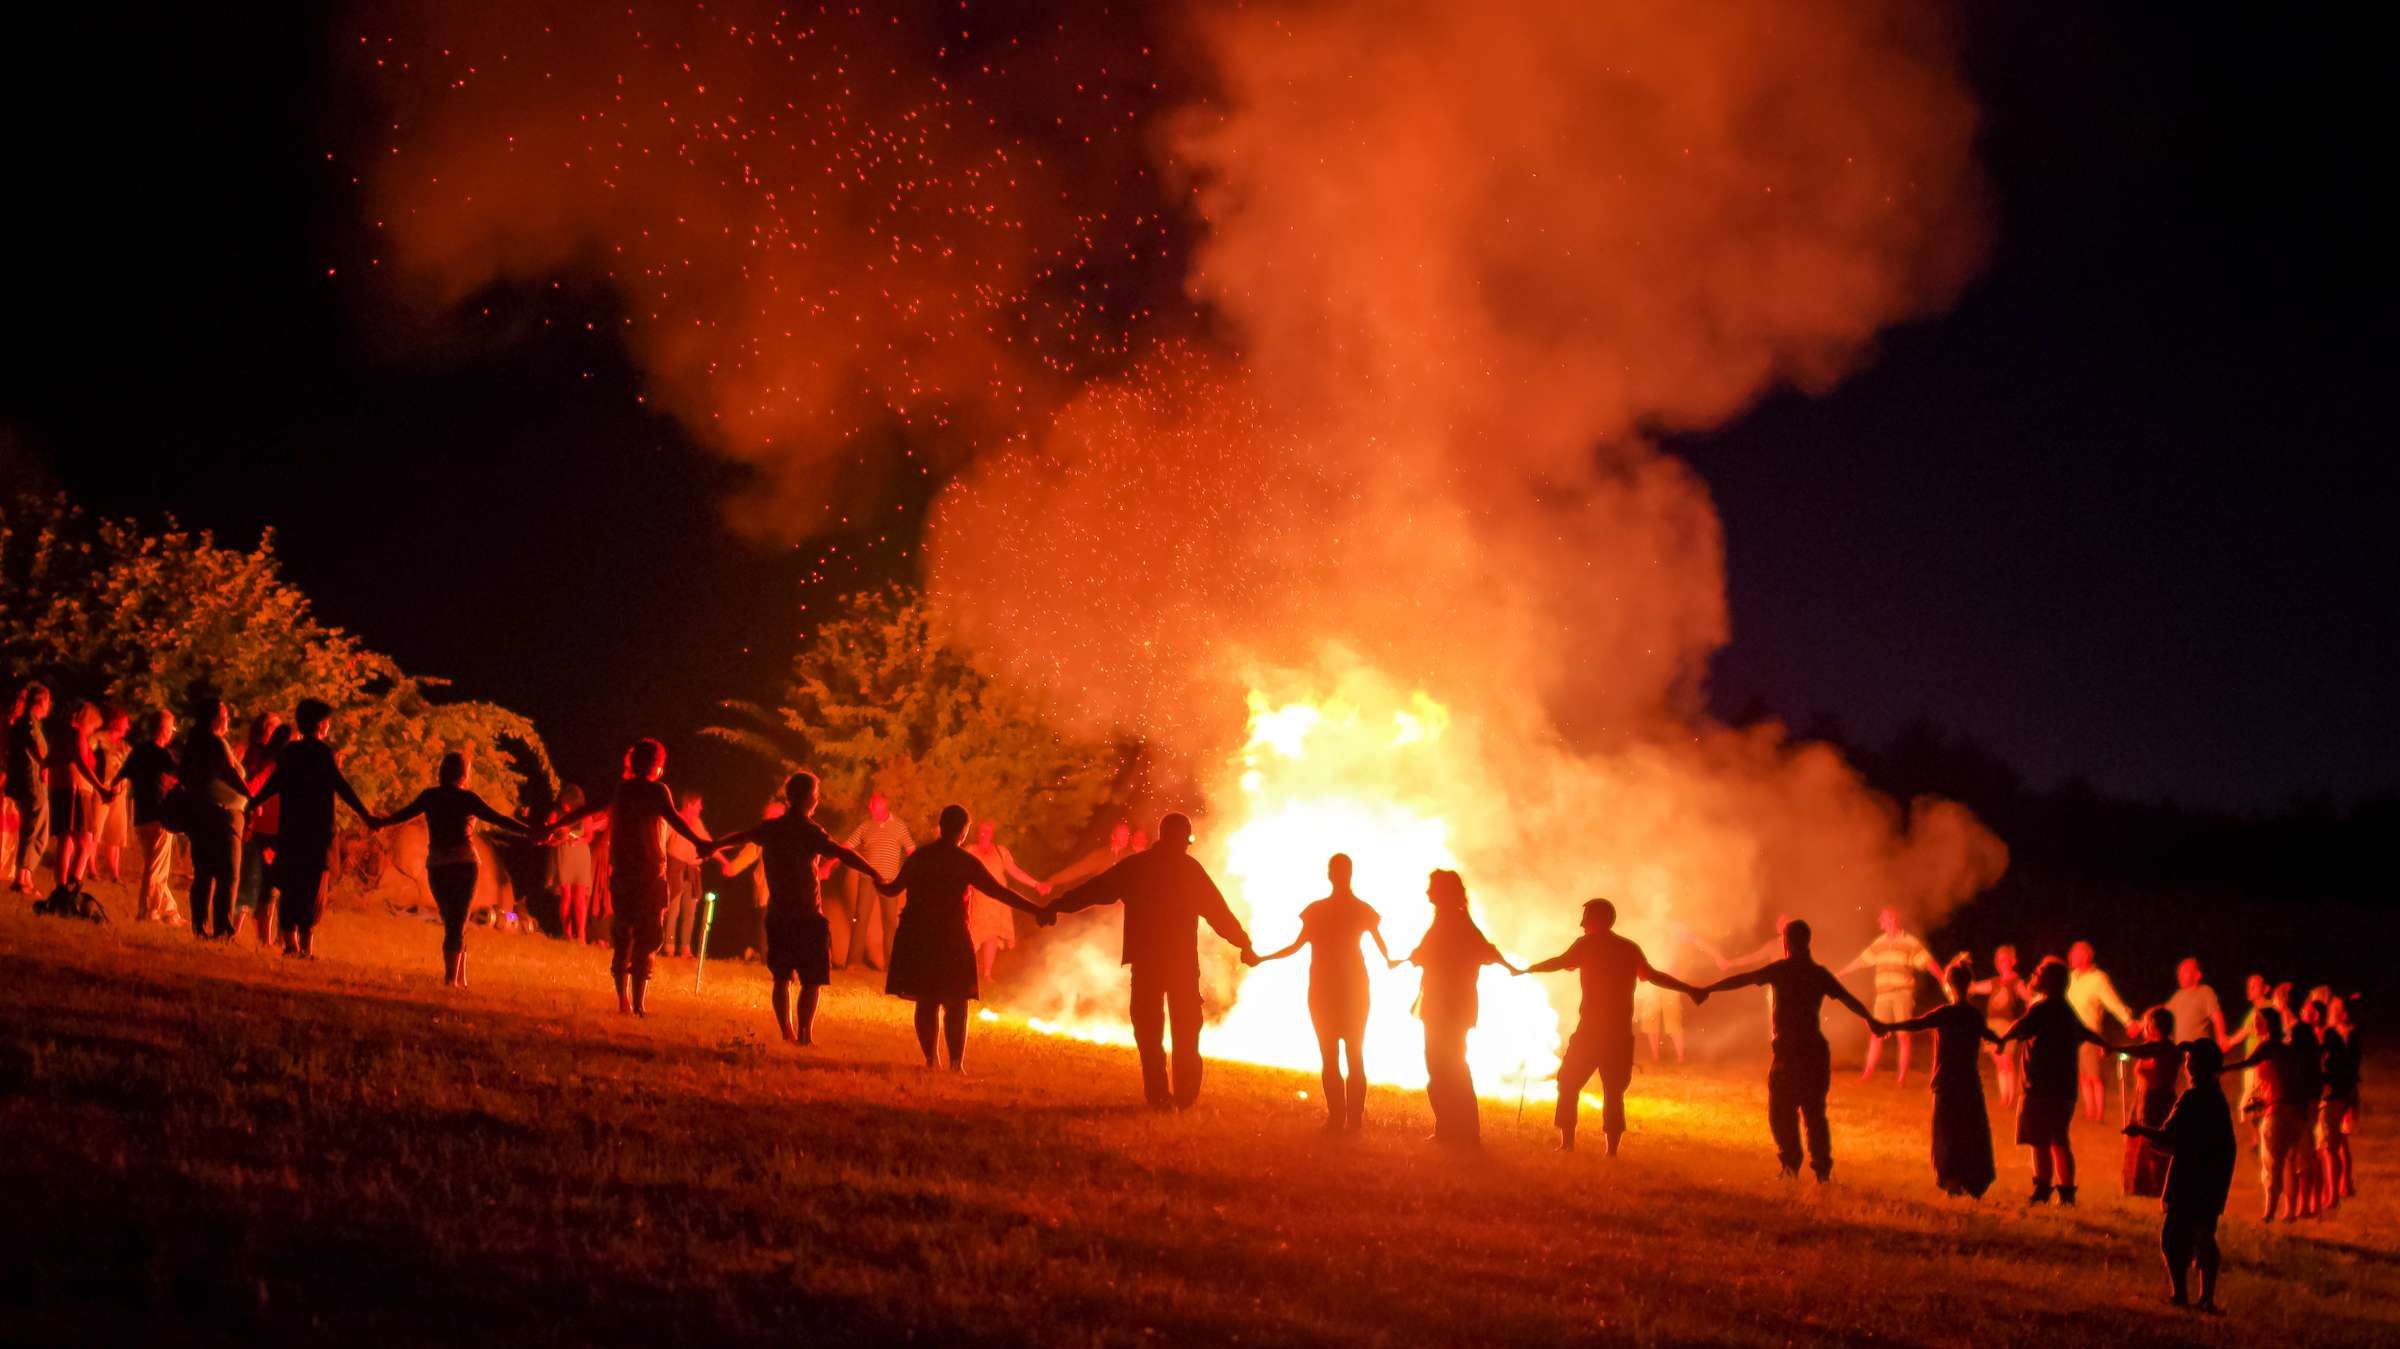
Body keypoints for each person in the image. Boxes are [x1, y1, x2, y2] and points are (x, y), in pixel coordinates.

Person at [1044, 812, 1256, 1110]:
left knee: (1148, 1031)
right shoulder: (1189, 869)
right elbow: (1218, 912)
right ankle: (1184, 1098)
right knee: (1185, 1032)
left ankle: (1158, 1096)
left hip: (1146, 962)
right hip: (1180, 964)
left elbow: (1095, 890)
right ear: (1183, 838)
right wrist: (1243, 942)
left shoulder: (1137, 866)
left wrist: (1058, 905)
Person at [1698, 918, 1878, 1181]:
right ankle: (1822, 1171)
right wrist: (1872, 1020)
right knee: (1815, 1113)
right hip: (1815, 1050)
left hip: (1790, 1051)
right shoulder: (1819, 974)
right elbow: (1848, 999)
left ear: (1786, 942)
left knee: (1782, 1111)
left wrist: (1709, 989)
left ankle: (1791, 1165)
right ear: (1808, 941)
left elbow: (1744, 979)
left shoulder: (1782, 970)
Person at [1524, 897, 1708, 1155]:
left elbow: (1560, 961)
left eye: (1586, 916)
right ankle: (1610, 1152)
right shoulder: (1627, 948)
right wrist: (1689, 989)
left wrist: (1530, 969)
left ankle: (1567, 1145)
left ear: (1596, 919)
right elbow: (1653, 976)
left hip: (1591, 1031)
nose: (1581, 923)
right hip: (1619, 1033)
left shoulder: (1586, 945)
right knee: (1613, 1091)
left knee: (1568, 1082)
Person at [708, 776, 882, 1046]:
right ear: (811, 799)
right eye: (816, 793)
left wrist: (713, 845)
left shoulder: (772, 829)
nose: (818, 798)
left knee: (782, 978)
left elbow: (742, 836)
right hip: (808, 917)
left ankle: (789, 1033)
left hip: (779, 915)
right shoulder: (810, 831)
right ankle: (804, 1035)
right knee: (811, 980)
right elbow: (842, 853)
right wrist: (872, 871)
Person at [545, 739, 711, 1016]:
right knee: (648, 940)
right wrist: (700, 843)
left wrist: (555, 825)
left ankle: (625, 1003)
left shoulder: (621, 790)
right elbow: (676, 820)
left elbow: (587, 809)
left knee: (624, 938)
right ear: (657, 766)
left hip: (623, 874)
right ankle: (638, 1004)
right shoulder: (658, 791)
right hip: (648, 874)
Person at [876, 804, 1045, 1071]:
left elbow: (892, 888)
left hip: (918, 934)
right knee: (956, 1002)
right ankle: (955, 1065)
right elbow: (999, 892)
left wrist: (875, 877)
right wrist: (1036, 909)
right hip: (951, 935)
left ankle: (932, 1061)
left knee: (926, 999)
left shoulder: (920, 856)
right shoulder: (964, 862)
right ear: (963, 832)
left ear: (941, 827)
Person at [1248, 853, 1393, 1133]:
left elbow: (1296, 946)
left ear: (1330, 874)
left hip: (1324, 989)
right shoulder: (1362, 909)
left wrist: (1263, 958)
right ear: (1350, 874)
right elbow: (1382, 946)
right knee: (1354, 1054)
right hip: (1354, 989)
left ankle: (1338, 1118)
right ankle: (1352, 1120)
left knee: (1330, 1055)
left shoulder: (1317, 910)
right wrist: (1392, 960)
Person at [371, 751, 534, 986]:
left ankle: (458, 980)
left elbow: (403, 814)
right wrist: (530, 832)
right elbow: (498, 819)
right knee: (457, 921)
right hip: (464, 864)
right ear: (464, 774)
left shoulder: (431, 796)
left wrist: (379, 822)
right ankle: (452, 981)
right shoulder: (467, 798)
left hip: (438, 865)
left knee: (453, 921)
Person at [1397, 869, 1520, 1146]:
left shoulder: (1451, 922)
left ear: (1442, 892)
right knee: (1449, 1066)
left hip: (1444, 1007)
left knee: (1445, 1067)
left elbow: (1431, 953)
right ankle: (1457, 1129)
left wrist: (1417, 957)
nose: (1428, 892)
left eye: (1432, 888)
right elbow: (1485, 951)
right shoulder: (1454, 920)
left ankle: (1456, 1129)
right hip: (1452, 1006)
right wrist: (1508, 966)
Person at [247, 701, 374, 957]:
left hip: (291, 829)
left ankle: (291, 942)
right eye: (327, 721)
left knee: (291, 883)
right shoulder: (322, 753)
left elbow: (275, 783)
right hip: (317, 831)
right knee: (313, 885)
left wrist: (254, 801)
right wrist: (365, 815)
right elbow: (341, 786)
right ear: (321, 724)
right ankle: (304, 945)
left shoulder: (290, 752)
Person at [2122, 1039, 2236, 1313]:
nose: (2186, 1064)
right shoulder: (2217, 1100)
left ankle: (2182, 1295)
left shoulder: (2192, 1098)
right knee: (2202, 1233)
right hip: (2212, 1180)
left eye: (2189, 1059)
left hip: (2189, 1179)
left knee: (2174, 1237)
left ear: (2195, 1066)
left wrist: (2140, 1131)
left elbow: (2169, 1137)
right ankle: (2204, 1298)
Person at [1873, 955, 2001, 1197]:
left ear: (1949, 986)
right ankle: (1975, 1182)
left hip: (1947, 1081)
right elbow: (1988, 1034)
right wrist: (2001, 1042)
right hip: (1970, 1082)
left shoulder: (1946, 1013)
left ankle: (1953, 1180)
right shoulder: (1973, 1015)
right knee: (1972, 1129)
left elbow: (1916, 1024)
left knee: (1948, 1131)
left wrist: (1887, 1027)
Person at [1996, 956, 2109, 1205]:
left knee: (2039, 1140)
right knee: (2058, 1138)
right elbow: (2085, 1031)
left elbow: (2020, 1026)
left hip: (2039, 1085)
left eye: (2038, 973)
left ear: (2048, 981)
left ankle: (2043, 1188)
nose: (2033, 976)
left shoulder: (2043, 1008)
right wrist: (2104, 1044)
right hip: (2063, 1087)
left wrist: (2003, 1040)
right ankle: (2066, 1192)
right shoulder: (2065, 1010)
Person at [1839, 907, 1940, 1086]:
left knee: (1903, 1035)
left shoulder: (1909, 942)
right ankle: (1867, 1075)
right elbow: (1861, 961)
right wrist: (1841, 973)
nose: (1880, 921)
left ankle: (1901, 1079)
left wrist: (1942, 977)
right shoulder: (1879, 943)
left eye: (1883, 918)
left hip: (1902, 993)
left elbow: (1926, 961)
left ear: (1893, 919)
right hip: (1883, 995)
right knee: (1876, 1034)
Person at [178, 697, 251, 939]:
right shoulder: (215, 743)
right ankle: (223, 929)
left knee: (204, 872)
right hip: (224, 814)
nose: (229, 718)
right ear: (215, 719)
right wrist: (253, 797)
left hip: (200, 812)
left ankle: (199, 926)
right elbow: (230, 773)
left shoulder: (195, 744)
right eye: (226, 714)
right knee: (228, 873)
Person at [962, 819, 1049, 984]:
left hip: (997, 902)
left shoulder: (1000, 851)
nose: (983, 834)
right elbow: (961, 872)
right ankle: (964, 974)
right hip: (977, 901)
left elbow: (1015, 871)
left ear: (992, 834)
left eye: (987, 831)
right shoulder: (971, 850)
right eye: (981, 831)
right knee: (970, 937)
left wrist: (1036, 884)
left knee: (992, 937)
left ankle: (987, 974)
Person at [234, 721, 295, 948]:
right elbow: (255, 787)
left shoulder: (260, 758)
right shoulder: (271, 763)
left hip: (267, 827)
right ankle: (255, 934)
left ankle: (260, 935)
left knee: (261, 882)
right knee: (262, 882)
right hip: (268, 829)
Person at [838, 791, 914, 970]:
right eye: (870, 805)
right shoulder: (866, 826)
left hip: (890, 880)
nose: (870, 807)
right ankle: (853, 963)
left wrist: (915, 872)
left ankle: (891, 965)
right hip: (868, 879)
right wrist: (830, 863)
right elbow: (847, 846)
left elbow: (911, 850)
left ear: (884, 804)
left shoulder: (899, 826)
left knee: (890, 922)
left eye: (874, 804)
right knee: (860, 918)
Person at [2066, 941, 2138, 1121]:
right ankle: (2089, 1111)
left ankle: (2099, 1113)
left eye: (2075, 954)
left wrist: (2128, 1021)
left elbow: (2111, 1001)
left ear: (2085, 957)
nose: (2071, 957)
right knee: (2082, 1074)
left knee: (2093, 1075)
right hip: (2072, 1033)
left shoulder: (2098, 978)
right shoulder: (2071, 977)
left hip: (2089, 1032)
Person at [1636, 919, 1724, 1064]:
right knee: (1651, 1020)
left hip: (1671, 981)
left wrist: (1717, 957)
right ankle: (1655, 1058)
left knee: (1673, 1021)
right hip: (1650, 983)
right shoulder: (1647, 924)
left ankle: (1680, 1058)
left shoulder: (1676, 928)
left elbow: (1697, 941)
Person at [56, 700, 121, 892]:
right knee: (86, 842)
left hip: (62, 787)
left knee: (66, 840)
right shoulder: (77, 734)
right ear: (88, 720)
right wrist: (101, 788)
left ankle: (61, 887)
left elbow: (51, 759)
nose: (93, 731)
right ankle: (73, 885)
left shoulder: (61, 733)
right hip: (77, 790)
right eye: (93, 726)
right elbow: (81, 763)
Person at [2121, 1007, 2184, 1198]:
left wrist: (2115, 1049)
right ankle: (2138, 1185)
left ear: (2154, 1026)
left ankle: (2156, 1185)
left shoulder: (2165, 1048)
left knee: (2153, 1141)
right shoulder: (2151, 1046)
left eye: (2146, 1022)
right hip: (2143, 1097)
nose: (2144, 1026)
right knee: (2138, 1142)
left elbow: (2152, 1068)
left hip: (2157, 1099)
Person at [1969, 945, 2031, 1107]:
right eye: (1998, 959)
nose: (2001, 962)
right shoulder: (1994, 982)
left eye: (2005, 959)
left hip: (2006, 1026)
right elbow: (1974, 987)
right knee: (1999, 1063)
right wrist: (1959, 976)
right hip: (1991, 1025)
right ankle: (2005, 1097)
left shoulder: (2016, 982)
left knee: (2007, 1061)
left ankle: (2012, 1096)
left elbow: (2029, 998)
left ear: (2013, 961)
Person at [6, 683, 52, 894]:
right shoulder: (29, 723)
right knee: (34, 829)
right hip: (32, 783)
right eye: (48, 701)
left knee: (32, 829)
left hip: (28, 782)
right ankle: (22, 878)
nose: (50, 706)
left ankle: (25, 875)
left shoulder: (24, 723)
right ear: (41, 701)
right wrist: (45, 763)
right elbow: (36, 747)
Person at [2320, 996, 2359, 1203]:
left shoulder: (2340, 1036)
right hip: (2344, 1093)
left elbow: (2337, 1067)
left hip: (2336, 1094)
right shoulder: (2341, 1035)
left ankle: (2333, 1193)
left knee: (2330, 1147)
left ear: (2343, 1013)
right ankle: (2344, 1185)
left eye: (2334, 1008)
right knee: (2339, 1142)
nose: (2330, 1011)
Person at [549, 783, 595, 944]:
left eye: (569, 803)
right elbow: (549, 836)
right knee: (566, 895)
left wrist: (579, 838)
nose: (565, 806)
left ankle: (581, 935)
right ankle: (567, 933)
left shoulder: (585, 815)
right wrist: (558, 837)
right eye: (564, 802)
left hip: (580, 854)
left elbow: (589, 836)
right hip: (564, 854)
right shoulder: (556, 814)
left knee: (580, 897)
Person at [663, 790, 706, 958]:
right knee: (673, 910)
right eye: (698, 804)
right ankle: (669, 946)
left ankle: (686, 948)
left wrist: (721, 857)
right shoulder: (675, 820)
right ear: (689, 805)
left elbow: (706, 843)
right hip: (676, 868)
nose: (701, 808)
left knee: (690, 912)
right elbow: (663, 841)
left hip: (692, 870)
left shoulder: (697, 823)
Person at [1045, 819, 1135, 890]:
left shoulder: (1132, 856)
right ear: (1113, 836)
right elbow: (1077, 870)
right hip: (1103, 906)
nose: (1126, 837)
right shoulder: (1100, 855)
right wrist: (1052, 881)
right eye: (1122, 834)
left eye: (1127, 834)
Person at [96, 707, 133, 883]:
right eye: (125, 721)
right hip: (101, 788)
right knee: (96, 829)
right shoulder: (99, 739)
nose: (128, 726)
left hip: (120, 792)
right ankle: (91, 868)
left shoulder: (125, 746)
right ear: (115, 721)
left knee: (115, 834)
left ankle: (114, 872)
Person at [2166, 958, 2228, 1048]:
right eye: (2179, 972)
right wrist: (2141, 1024)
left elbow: (2217, 1017)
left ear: (2197, 975)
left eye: (2185, 971)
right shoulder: (2178, 996)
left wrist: (2221, 1037)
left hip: (2198, 1051)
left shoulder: (2205, 992)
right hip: (2181, 1052)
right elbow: (2163, 1012)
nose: (2180, 975)